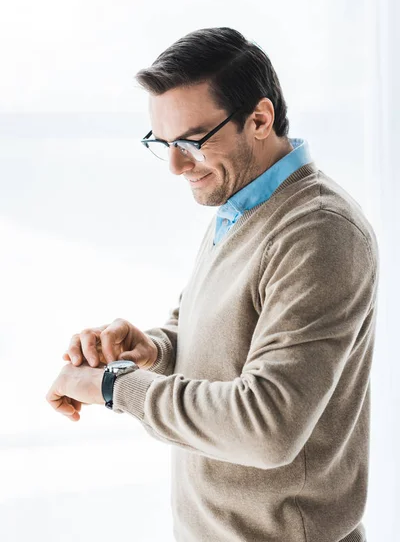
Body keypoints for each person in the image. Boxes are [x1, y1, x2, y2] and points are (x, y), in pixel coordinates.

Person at [46, 27, 378, 542]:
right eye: (163, 144)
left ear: (260, 119)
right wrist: (152, 348)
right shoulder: (241, 201)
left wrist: (114, 387)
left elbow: (267, 427)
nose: (177, 165)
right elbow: (225, 342)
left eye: (192, 142)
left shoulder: (319, 231)